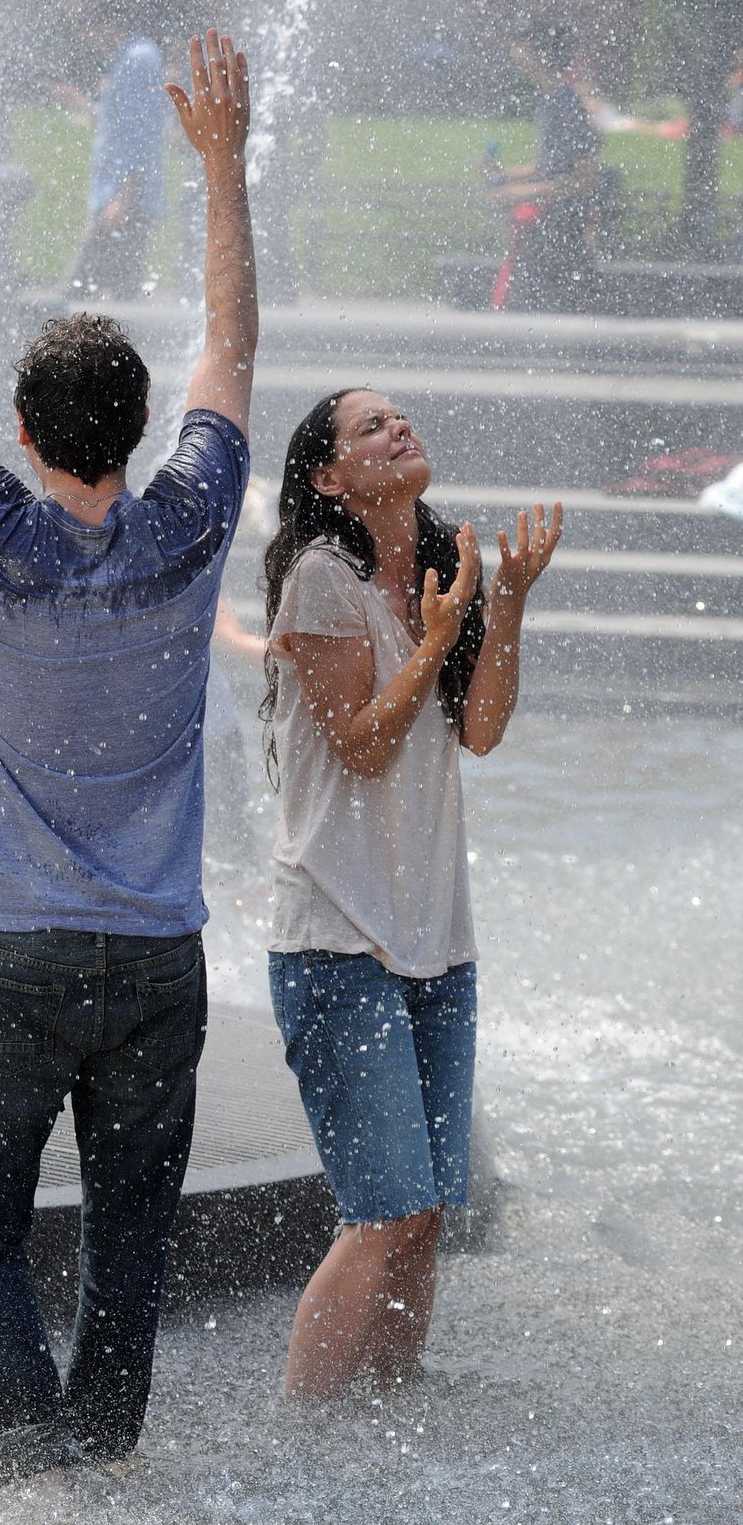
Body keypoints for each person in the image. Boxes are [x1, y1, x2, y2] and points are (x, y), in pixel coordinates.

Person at [0, 31, 256, 1483]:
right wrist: (221, 167)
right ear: (146, 432)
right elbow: (231, 346)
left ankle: (29, 1447)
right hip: (158, 952)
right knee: (135, 1224)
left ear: (20, 433)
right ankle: (105, 1442)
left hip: (15, 949)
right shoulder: (190, 525)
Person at [260, 389, 561, 1397]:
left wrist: (505, 599)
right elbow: (361, 742)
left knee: (426, 1208)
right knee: (382, 1208)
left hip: (437, 938)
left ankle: (394, 1418)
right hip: (339, 937)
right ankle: (303, 1440)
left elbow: (478, 730)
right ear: (329, 477)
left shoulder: (444, 570)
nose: (399, 430)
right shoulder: (318, 580)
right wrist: (431, 639)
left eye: (401, 418)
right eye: (370, 428)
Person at [60, 0, 167, 301]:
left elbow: (143, 135)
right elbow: (122, 122)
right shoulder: (129, 59)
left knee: (75, 294)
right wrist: (84, 106)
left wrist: (123, 197)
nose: (85, 39)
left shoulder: (139, 59)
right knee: (116, 298)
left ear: (106, 22)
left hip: (124, 198)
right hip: (116, 194)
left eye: (85, 29)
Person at [488, 21, 602, 312]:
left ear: (544, 55)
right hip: (545, 230)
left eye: (524, 45)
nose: (515, 52)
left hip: (563, 234)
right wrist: (504, 174)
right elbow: (548, 167)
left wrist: (522, 194)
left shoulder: (567, 104)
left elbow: (586, 178)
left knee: (540, 318)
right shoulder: (550, 100)